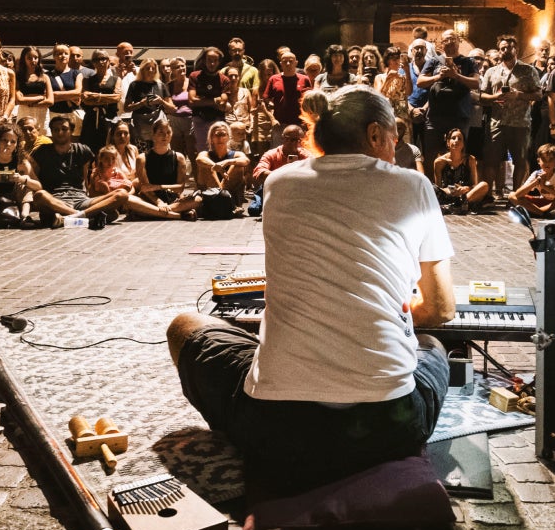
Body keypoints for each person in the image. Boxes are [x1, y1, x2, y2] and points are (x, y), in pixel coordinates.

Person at [165, 86, 455, 497]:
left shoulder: (279, 184)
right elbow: (441, 308)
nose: (397, 145)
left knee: (185, 326)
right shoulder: (414, 186)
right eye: (394, 136)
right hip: (388, 429)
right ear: (374, 135)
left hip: (277, 430)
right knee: (431, 348)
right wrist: (389, 310)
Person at [476, 34, 540, 196]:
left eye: (509, 47)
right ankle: (488, 195)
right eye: (502, 48)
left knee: (520, 160)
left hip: (520, 123)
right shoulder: (492, 72)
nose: (506, 51)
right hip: (497, 123)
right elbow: (482, 97)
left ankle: (516, 196)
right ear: (499, 51)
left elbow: (538, 95)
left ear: (516, 49)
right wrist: (495, 97)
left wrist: (518, 95)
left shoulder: (528, 70)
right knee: (491, 161)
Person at [31, 114, 120, 225]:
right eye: (56, 130)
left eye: (64, 129)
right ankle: (84, 217)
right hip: (55, 201)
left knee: (121, 195)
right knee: (39, 195)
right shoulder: (41, 151)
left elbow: (85, 177)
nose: (60, 133)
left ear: (72, 131)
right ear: (51, 132)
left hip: (81, 199)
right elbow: (35, 180)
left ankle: (73, 218)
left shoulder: (82, 150)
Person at [413, 30, 480, 161]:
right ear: (441, 44)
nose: (449, 43)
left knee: (458, 156)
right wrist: (439, 76)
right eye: (445, 40)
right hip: (435, 118)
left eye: (452, 39)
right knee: (431, 155)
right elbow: (420, 82)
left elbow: (476, 83)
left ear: (458, 41)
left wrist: (456, 76)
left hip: (459, 116)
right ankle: (431, 182)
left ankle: (458, 181)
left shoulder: (468, 62)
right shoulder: (433, 61)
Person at [138, 120, 201, 216]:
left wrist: (158, 187)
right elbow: (145, 188)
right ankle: (177, 214)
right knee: (129, 200)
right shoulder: (142, 158)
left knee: (198, 200)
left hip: (172, 199)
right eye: (161, 133)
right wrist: (159, 202)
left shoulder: (178, 157)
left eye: (168, 132)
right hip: (151, 199)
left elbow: (180, 187)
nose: (165, 136)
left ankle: (155, 212)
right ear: (153, 135)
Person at [431, 127, 491, 213]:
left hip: (466, 195)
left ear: (463, 144)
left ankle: (458, 206)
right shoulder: (439, 161)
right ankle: (459, 206)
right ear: (448, 142)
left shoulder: (470, 160)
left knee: (484, 185)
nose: (456, 141)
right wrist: (451, 191)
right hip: (448, 195)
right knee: (432, 188)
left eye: (460, 139)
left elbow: (474, 184)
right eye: (453, 138)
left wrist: (465, 189)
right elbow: (439, 188)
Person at [263, 50, 312, 147]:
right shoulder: (273, 79)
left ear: (296, 63)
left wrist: (308, 121)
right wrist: (272, 119)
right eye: (285, 61)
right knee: (278, 155)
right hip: (280, 125)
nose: (288, 63)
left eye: (291, 61)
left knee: (301, 154)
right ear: (280, 64)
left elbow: (310, 102)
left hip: (300, 125)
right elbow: (265, 101)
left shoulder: (304, 79)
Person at [195, 120, 250, 201]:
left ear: (228, 137)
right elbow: (199, 159)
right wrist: (217, 167)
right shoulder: (205, 154)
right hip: (209, 193)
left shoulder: (236, 154)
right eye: (217, 135)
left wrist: (227, 162)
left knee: (237, 164)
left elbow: (246, 160)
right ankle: (221, 197)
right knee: (207, 167)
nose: (220, 138)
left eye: (223, 135)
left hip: (231, 193)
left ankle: (224, 197)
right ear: (211, 138)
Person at [513, 142, 555, 218]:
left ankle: (536, 211)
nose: (547, 163)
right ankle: (542, 213)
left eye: (550, 160)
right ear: (538, 161)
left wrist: (544, 187)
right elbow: (518, 194)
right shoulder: (536, 174)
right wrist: (535, 182)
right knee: (512, 196)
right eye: (544, 159)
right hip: (542, 201)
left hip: (554, 203)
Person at [13, 46, 53, 130]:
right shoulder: (18, 77)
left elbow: (50, 101)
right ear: (24, 59)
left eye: (36, 57)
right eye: (29, 58)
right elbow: (19, 100)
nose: (33, 60)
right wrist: (41, 97)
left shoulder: (45, 77)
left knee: (43, 138)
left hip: (42, 114)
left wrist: (28, 101)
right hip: (24, 112)